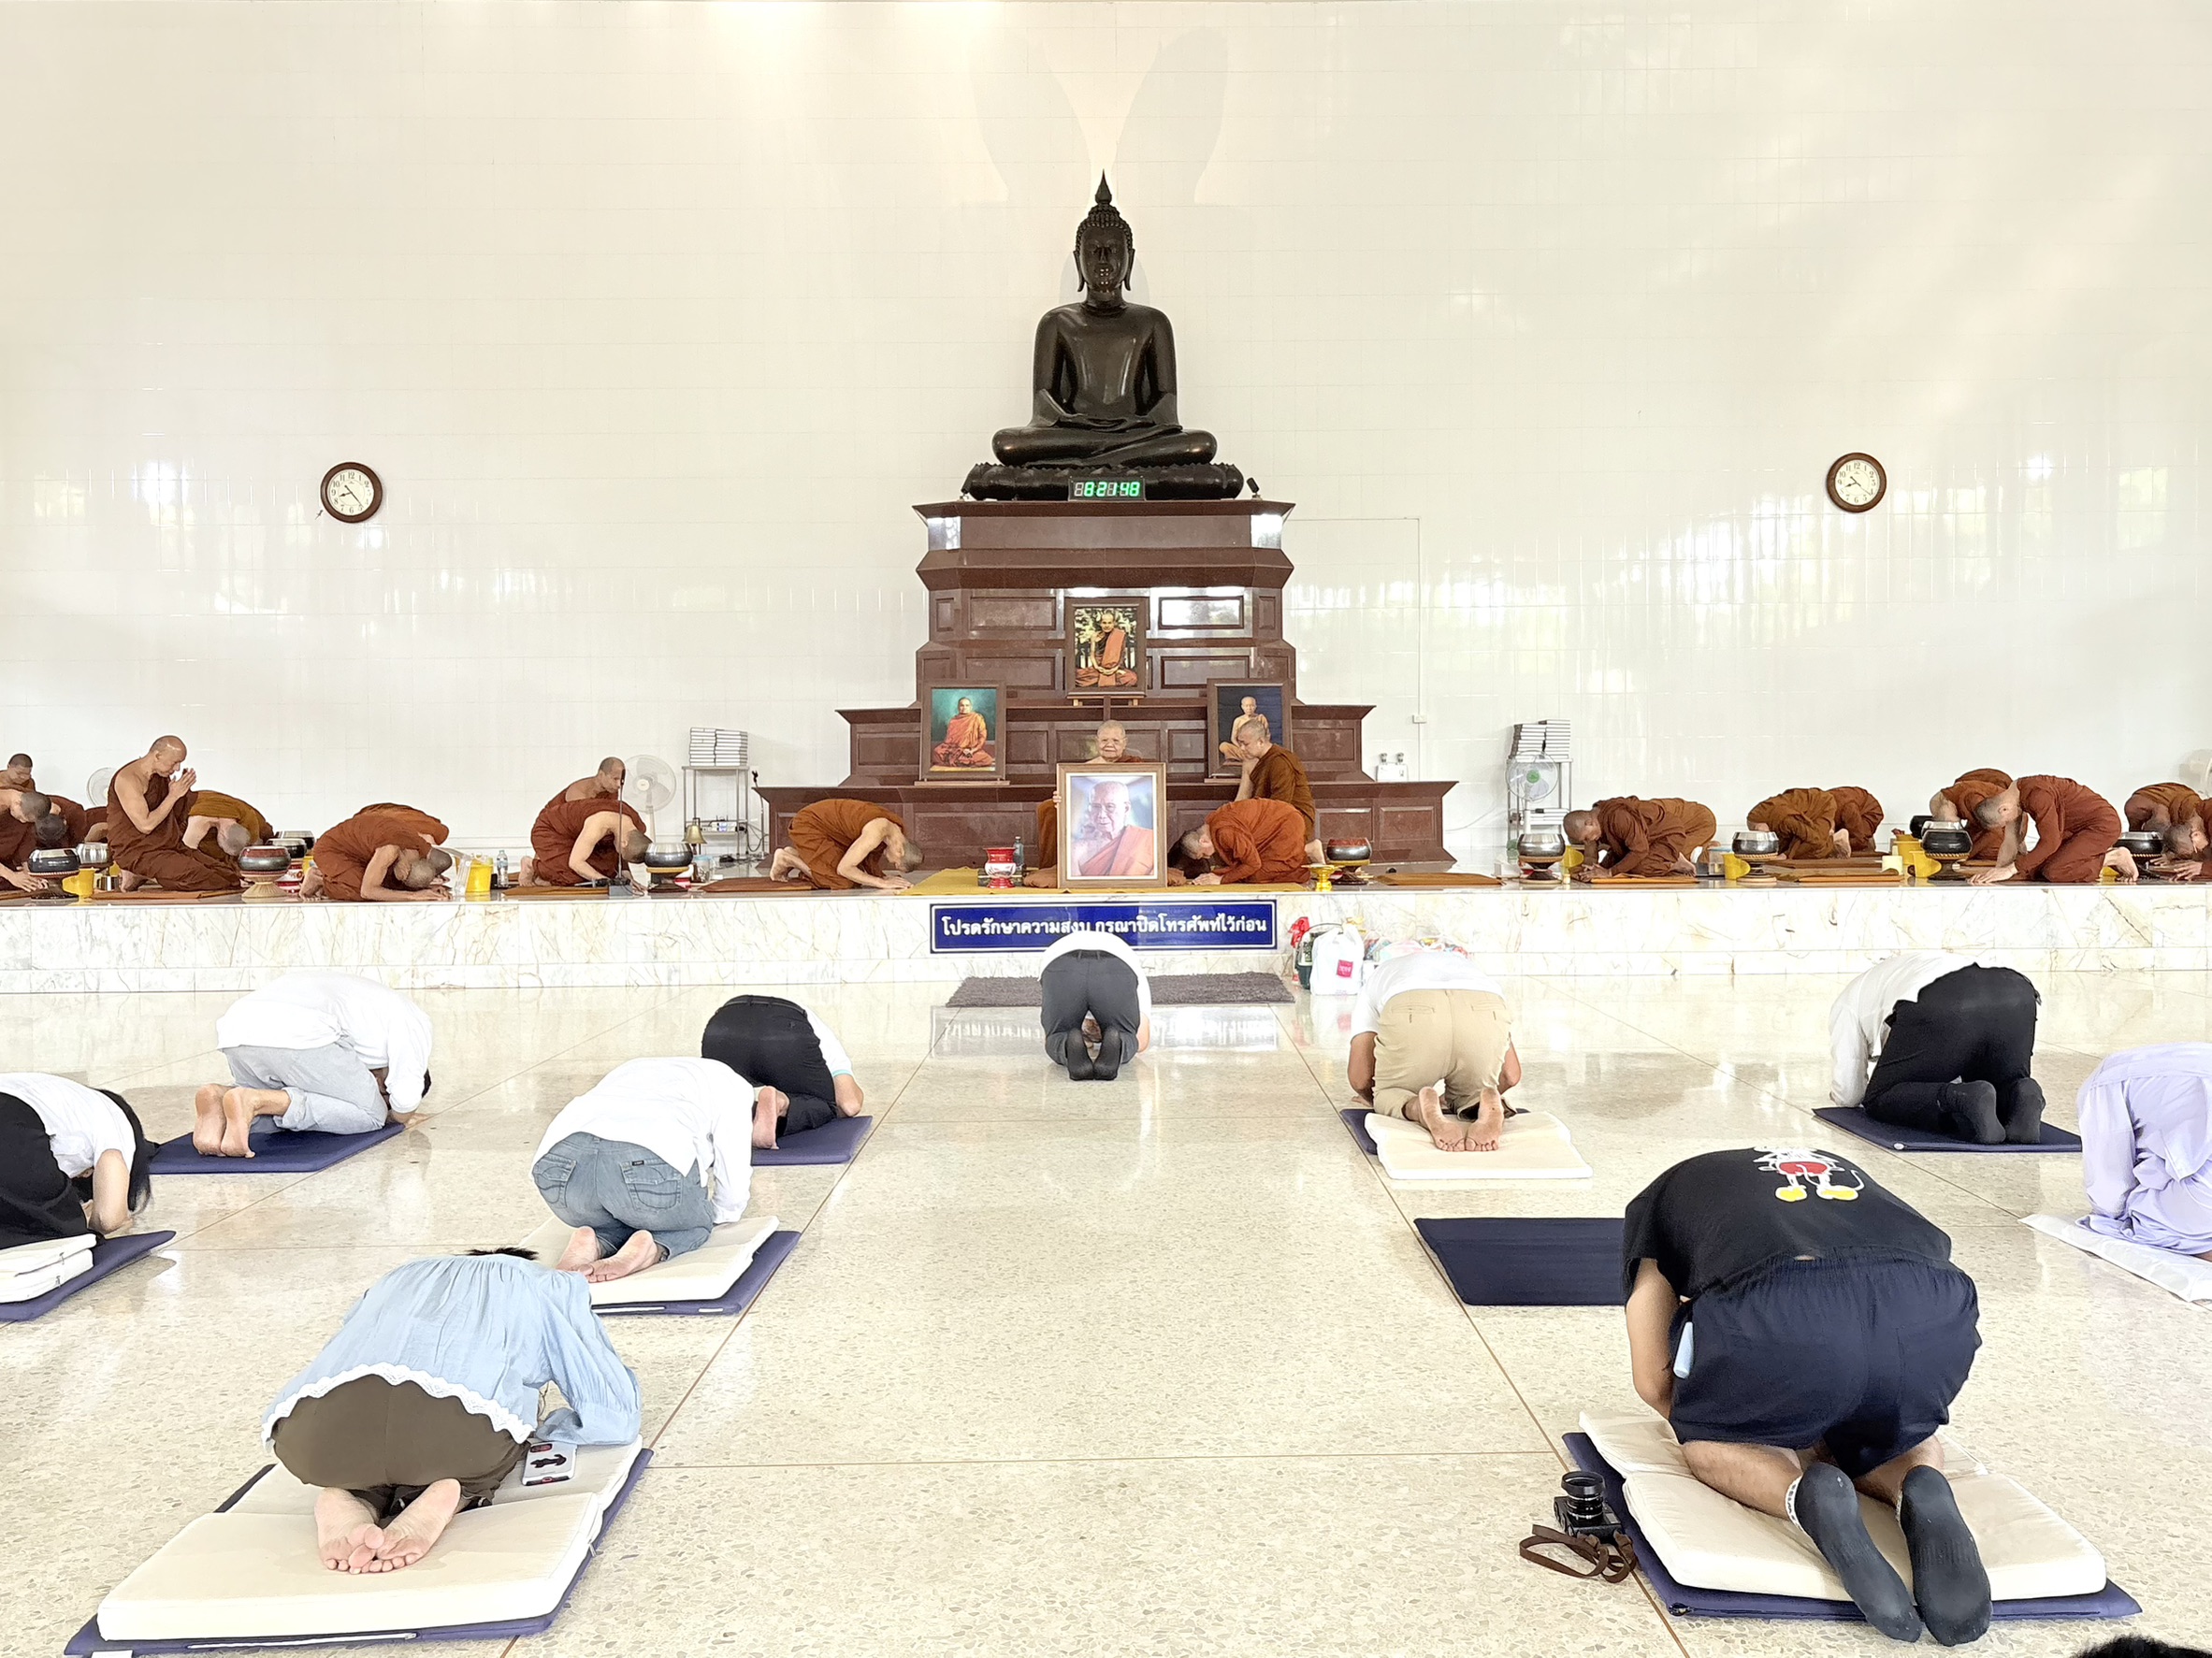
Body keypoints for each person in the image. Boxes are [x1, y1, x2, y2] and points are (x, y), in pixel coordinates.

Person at [1623, 1147, 1988, 1645]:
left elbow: (1653, 1382)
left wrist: (1711, 1424)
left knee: (1715, 1445)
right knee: (1894, 1431)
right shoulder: (1834, 1163)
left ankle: (1805, 1498)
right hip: (1933, 1308)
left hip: (1786, 1302)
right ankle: (1919, 1483)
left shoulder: (1659, 1201)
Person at [264, 1248, 641, 1576]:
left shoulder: (397, 1277)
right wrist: (543, 1427)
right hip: (455, 1439)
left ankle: (351, 1494)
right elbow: (613, 1413)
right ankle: (459, 1491)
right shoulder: (545, 1283)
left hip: (307, 1438)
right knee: (489, 1434)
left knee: (375, 1434)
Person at [531, 1057, 766, 1282]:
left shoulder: (633, 1067)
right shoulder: (736, 1087)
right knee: (693, 1224)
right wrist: (714, 1215)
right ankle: (649, 1247)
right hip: (643, 1154)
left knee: (619, 1214)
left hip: (556, 1169)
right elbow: (733, 1183)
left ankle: (593, 1240)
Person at [197, 971, 434, 1157]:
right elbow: (406, 1097)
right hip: (299, 1033)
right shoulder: (415, 1021)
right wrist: (394, 1117)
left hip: (235, 1029)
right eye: (383, 1090)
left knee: (286, 1108)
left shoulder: (370, 1008)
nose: (376, 1086)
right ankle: (254, 1100)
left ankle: (220, 1099)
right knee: (371, 1116)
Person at [1829, 953, 2045, 1145]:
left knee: (1880, 1097)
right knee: (1997, 1090)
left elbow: (1849, 1094)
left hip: (1943, 997)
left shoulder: (1847, 1002)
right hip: (2017, 992)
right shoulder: (1901, 972)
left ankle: (1964, 1097)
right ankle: (2020, 1092)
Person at [1346, 945, 1521, 1152]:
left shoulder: (1379, 976)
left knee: (1391, 1093)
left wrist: (1376, 1098)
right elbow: (1511, 1075)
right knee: (1473, 1093)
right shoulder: (1471, 971)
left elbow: (1360, 1078)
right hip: (1485, 1004)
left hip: (1410, 1004)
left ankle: (1419, 1108)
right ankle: (1483, 1102)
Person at [2076, 1044, 2212, 1257]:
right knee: (2115, 1206)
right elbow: (2110, 1201)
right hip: (2114, 1082)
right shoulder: (2104, 1089)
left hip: (2152, 1079)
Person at [0, 1073, 154, 1247]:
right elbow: (108, 1220)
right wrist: (91, 1219)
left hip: (14, 1116)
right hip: (13, 1121)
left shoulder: (67, 1098)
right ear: (88, 1172)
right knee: (64, 1231)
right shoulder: (115, 1120)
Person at [701, 994, 866, 1147]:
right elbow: (849, 1105)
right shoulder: (823, 1035)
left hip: (723, 1025)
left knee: (719, 1102)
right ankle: (781, 1103)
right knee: (826, 1105)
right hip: (785, 1028)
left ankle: (751, 1115)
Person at [106, 735, 242, 893]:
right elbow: (146, 825)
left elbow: (171, 815)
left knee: (229, 877)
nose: (177, 768)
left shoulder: (160, 776)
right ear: (157, 756)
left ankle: (146, 874)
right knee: (201, 877)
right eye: (175, 762)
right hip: (138, 851)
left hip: (168, 846)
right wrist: (173, 795)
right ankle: (142, 872)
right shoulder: (128, 779)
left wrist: (181, 794)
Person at [1027, 723, 1147, 887]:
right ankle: (1057, 864)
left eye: (1115, 741)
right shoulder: (1085, 769)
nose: (1109, 745)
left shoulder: (1137, 767)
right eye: (1104, 740)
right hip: (1093, 828)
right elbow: (1072, 795)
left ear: (1124, 743)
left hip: (1122, 823)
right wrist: (1061, 798)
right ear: (1096, 742)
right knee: (1048, 809)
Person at [1968, 775, 2132, 886]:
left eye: (2004, 823)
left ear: (2003, 810)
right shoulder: (2013, 796)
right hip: (2075, 831)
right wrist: (1996, 874)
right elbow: (2011, 842)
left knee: (2055, 872)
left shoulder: (2037, 796)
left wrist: (2010, 869)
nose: (2007, 825)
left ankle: (2114, 857)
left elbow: (2050, 842)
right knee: (2036, 871)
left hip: (2101, 826)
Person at [1037, 927, 1153, 1081]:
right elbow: (1142, 1040)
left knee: (1057, 1035)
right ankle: (1119, 1041)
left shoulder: (1060, 947)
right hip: (1117, 964)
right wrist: (1119, 1035)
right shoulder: (1134, 968)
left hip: (1059, 962)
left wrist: (1079, 1037)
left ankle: (1066, 1044)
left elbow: (1047, 1037)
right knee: (1127, 1034)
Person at [305, 805, 452, 901]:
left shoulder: (420, 847)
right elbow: (368, 891)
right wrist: (414, 896)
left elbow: (438, 862)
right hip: (334, 849)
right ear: (405, 869)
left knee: (384, 883)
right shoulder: (389, 850)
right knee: (362, 892)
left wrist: (429, 889)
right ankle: (318, 878)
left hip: (364, 849)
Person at [768, 800, 919, 891]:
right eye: (895, 863)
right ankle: (786, 859)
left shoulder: (896, 830)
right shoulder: (876, 832)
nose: (890, 862)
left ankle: (794, 854)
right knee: (841, 881)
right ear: (900, 851)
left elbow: (867, 856)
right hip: (809, 824)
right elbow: (844, 869)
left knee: (857, 877)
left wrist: (882, 877)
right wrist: (880, 883)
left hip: (825, 828)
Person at [1230, 718, 1323, 865]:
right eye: (1240, 743)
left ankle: (1309, 849)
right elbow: (1243, 798)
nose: (1241, 749)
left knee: (1260, 858)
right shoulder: (1256, 761)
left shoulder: (1280, 761)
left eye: (1245, 744)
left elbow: (1281, 803)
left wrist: (1259, 826)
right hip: (1272, 813)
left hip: (1294, 816)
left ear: (1261, 741)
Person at [1563, 796, 1716, 879]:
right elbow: (1592, 855)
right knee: (1611, 864)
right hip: (1643, 840)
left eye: (1586, 838)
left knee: (1637, 867)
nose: (1588, 842)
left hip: (1666, 835)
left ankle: (1674, 863)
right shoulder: (1596, 817)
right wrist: (1590, 869)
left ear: (1589, 823)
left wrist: (1609, 873)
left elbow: (1640, 850)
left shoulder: (1618, 817)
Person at [525, 792, 649, 887]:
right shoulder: (599, 824)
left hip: (582, 835)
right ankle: (531, 865)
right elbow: (576, 863)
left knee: (606, 871)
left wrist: (628, 879)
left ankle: (547, 871)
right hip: (552, 830)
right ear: (624, 842)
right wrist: (607, 882)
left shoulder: (636, 827)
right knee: (575, 877)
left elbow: (621, 855)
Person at [1178, 798, 1311, 886]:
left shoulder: (1225, 832)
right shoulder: (1212, 824)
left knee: (1257, 876)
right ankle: (1306, 849)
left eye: (1203, 854)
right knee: (1246, 872)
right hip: (1279, 820)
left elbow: (1253, 864)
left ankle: (1308, 851)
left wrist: (1221, 879)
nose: (1208, 857)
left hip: (1285, 824)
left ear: (1204, 841)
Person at [1070, 778, 1156, 879]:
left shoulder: (1148, 840)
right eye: (1096, 807)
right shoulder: (1076, 850)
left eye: (1109, 807)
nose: (1101, 815)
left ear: (1126, 809)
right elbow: (1074, 887)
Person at [1931, 769, 2013, 863]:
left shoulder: (1973, 800)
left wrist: (1967, 855)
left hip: (2004, 817)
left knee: (1991, 849)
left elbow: (1995, 831)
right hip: (1992, 805)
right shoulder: (1952, 800)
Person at [1743, 786, 1849, 860]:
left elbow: (1816, 839)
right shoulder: (1753, 816)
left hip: (1824, 804)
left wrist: (1786, 855)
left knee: (1817, 848)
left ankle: (1837, 837)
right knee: (1786, 845)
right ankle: (1828, 832)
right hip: (1802, 808)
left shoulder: (1785, 821)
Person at [0, 788, 63, 894]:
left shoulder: (27, 805)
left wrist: (29, 873)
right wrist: (11, 876)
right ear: (17, 803)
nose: (22, 821)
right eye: (21, 818)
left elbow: (26, 842)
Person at [931, 696, 995, 769]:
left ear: (971, 707)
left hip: (971, 750)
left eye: (967, 705)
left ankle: (957, 760)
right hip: (955, 749)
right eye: (962, 705)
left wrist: (972, 751)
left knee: (986, 759)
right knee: (936, 752)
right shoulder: (953, 720)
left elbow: (982, 737)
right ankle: (959, 761)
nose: (964, 708)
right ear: (958, 707)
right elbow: (948, 740)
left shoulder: (977, 718)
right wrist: (956, 750)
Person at [1830, 785, 1885, 853]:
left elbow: (1860, 840)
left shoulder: (1847, 809)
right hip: (1848, 808)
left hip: (1869, 811)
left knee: (1857, 841)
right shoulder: (1821, 803)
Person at [559, 757, 627, 804]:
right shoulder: (579, 790)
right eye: (615, 779)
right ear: (601, 775)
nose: (619, 785)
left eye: (621, 780)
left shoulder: (611, 792)